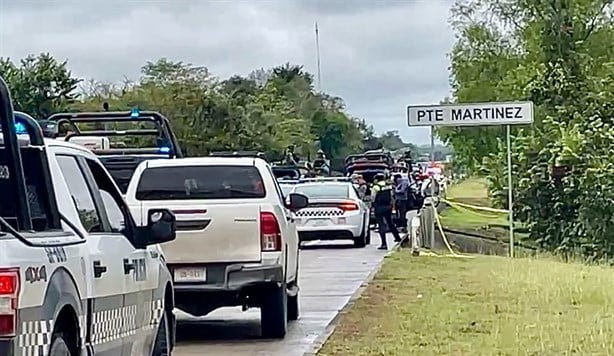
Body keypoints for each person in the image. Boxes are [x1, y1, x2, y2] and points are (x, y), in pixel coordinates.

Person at [371, 173, 402, 250]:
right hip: (388, 206)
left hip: (379, 207)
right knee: (390, 223)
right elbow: (392, 196)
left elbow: (373, 198)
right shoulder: (388, 186)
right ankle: (398, 238)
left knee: (381, 224)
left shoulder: (376, 187)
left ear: (376, 179)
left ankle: (384, 243)